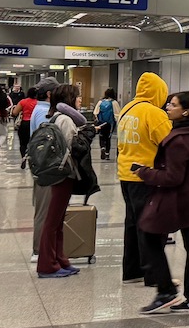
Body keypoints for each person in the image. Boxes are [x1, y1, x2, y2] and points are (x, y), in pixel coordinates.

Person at [134, 91, 189, 313]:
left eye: (173, 105)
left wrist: (145, 173)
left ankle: (166, 290)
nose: (168, 107)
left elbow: (172, 177)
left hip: (179, 200)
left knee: (149, 234)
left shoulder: (178, 140)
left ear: (186, 111)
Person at [34, 84, 97, 278]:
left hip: (56, 173)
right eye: (77, 97)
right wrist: (87, 136)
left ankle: (60, 259)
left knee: (58, 220)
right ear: (69, 98)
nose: (80, 100)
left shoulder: (54, 117)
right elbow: (74, 148)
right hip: (64, 175)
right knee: (53, 221)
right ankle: (46, 265)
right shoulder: (67, 120)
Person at [117, 73, 172, 285]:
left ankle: (132, 271)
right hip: (148, 177)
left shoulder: (127, 109)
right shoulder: (154, 113)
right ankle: (154, 275)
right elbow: (170, 143)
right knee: (152, 226)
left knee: (132, 224)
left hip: (126, 174)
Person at [16, 84, 40, 164]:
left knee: (23, 143)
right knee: (34, 142)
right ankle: (33, 159)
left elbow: (14, 112)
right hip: (35, 123)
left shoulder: (23, 102)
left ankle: (23, 157)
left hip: (24, 124)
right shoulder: (38, 103)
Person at [96, 88, 118, 160]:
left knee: (101, 136)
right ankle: (107, 154)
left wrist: (98, 120)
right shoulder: (114, 103)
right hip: (110, 123)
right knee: (108, 138)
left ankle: (102, 147)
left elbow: (95, 112)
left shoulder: (100, 102)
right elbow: (117, 114)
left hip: (101, 123)